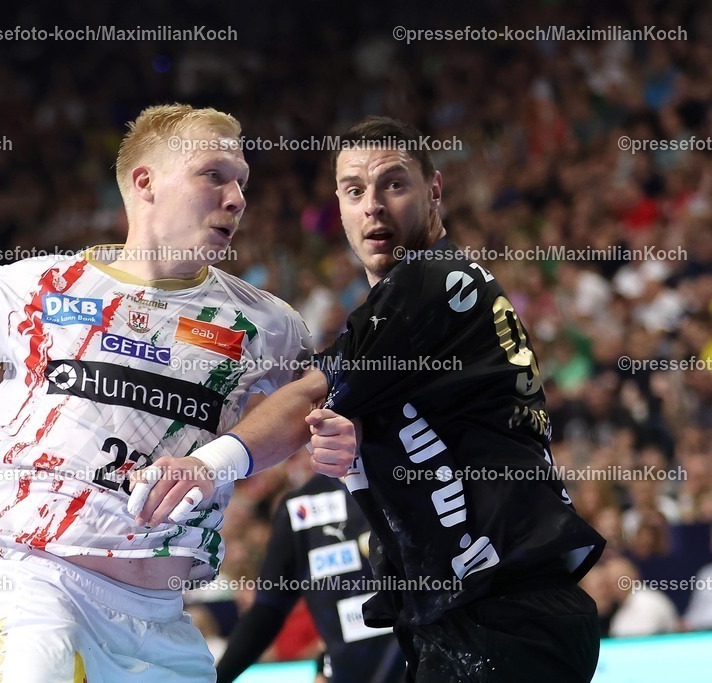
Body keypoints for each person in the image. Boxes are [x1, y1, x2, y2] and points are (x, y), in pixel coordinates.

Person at [0, 100, 356, 683]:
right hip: (42, 591)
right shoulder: (42, 287)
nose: (237, 197)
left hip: (163, 624)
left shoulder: (267, 324)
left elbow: (317, 400)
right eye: (214, 175)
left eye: (242, 182)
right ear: (145, 183)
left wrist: (328, 435)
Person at [131, 116, 607, 682]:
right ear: (339, 205)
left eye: (394, 184)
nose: (373, 206)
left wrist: (208, 463)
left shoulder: (436, 280)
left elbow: (314, 389)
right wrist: (358, 455)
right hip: (458, 617)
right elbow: (407, 427)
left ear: (434, 192)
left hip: (506, 619)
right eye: (355, 190)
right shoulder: (409, 320)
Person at [216, 474, 405, 683]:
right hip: (352, 674)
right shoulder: (301, 507)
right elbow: (267, 610)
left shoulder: (410, 480)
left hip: (429, 665)